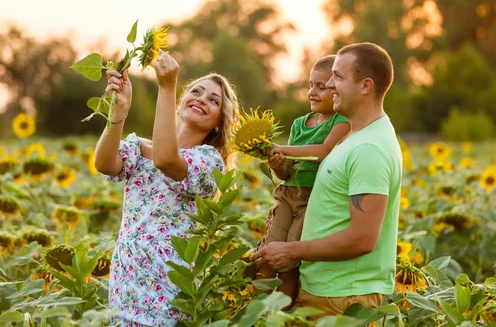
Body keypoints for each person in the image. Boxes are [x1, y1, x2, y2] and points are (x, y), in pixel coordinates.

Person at [251, 43, 402, 317]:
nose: (330, 85)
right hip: (325, 290)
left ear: (365, 86)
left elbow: (362, 239)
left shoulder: (369, 149)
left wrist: (291, 251)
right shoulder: (353, 136)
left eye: (338, 77)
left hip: (342, 297)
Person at [94, 51, 239, 326]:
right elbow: (104, 163)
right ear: (182, 100)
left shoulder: (208, 161)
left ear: (219, 123)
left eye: (213, 100)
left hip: (168, 287)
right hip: (126, 279)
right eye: (196, 91)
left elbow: (165, 159)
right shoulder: (138, 148)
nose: (201, 99)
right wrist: (118, 113)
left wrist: (166, 86)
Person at [257, 55, 350, 304]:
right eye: (310, 85)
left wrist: (282, 149)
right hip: (287, 197)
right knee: (266, 255)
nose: (312, 92)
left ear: (336, 89)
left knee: (288, 264)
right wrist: (278, 165)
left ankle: (282, 315)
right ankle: (259, 314)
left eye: (321, 87)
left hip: (312, 201)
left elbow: (323, 151)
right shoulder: (300, 124)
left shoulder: (341, 122)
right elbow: (287, 173)